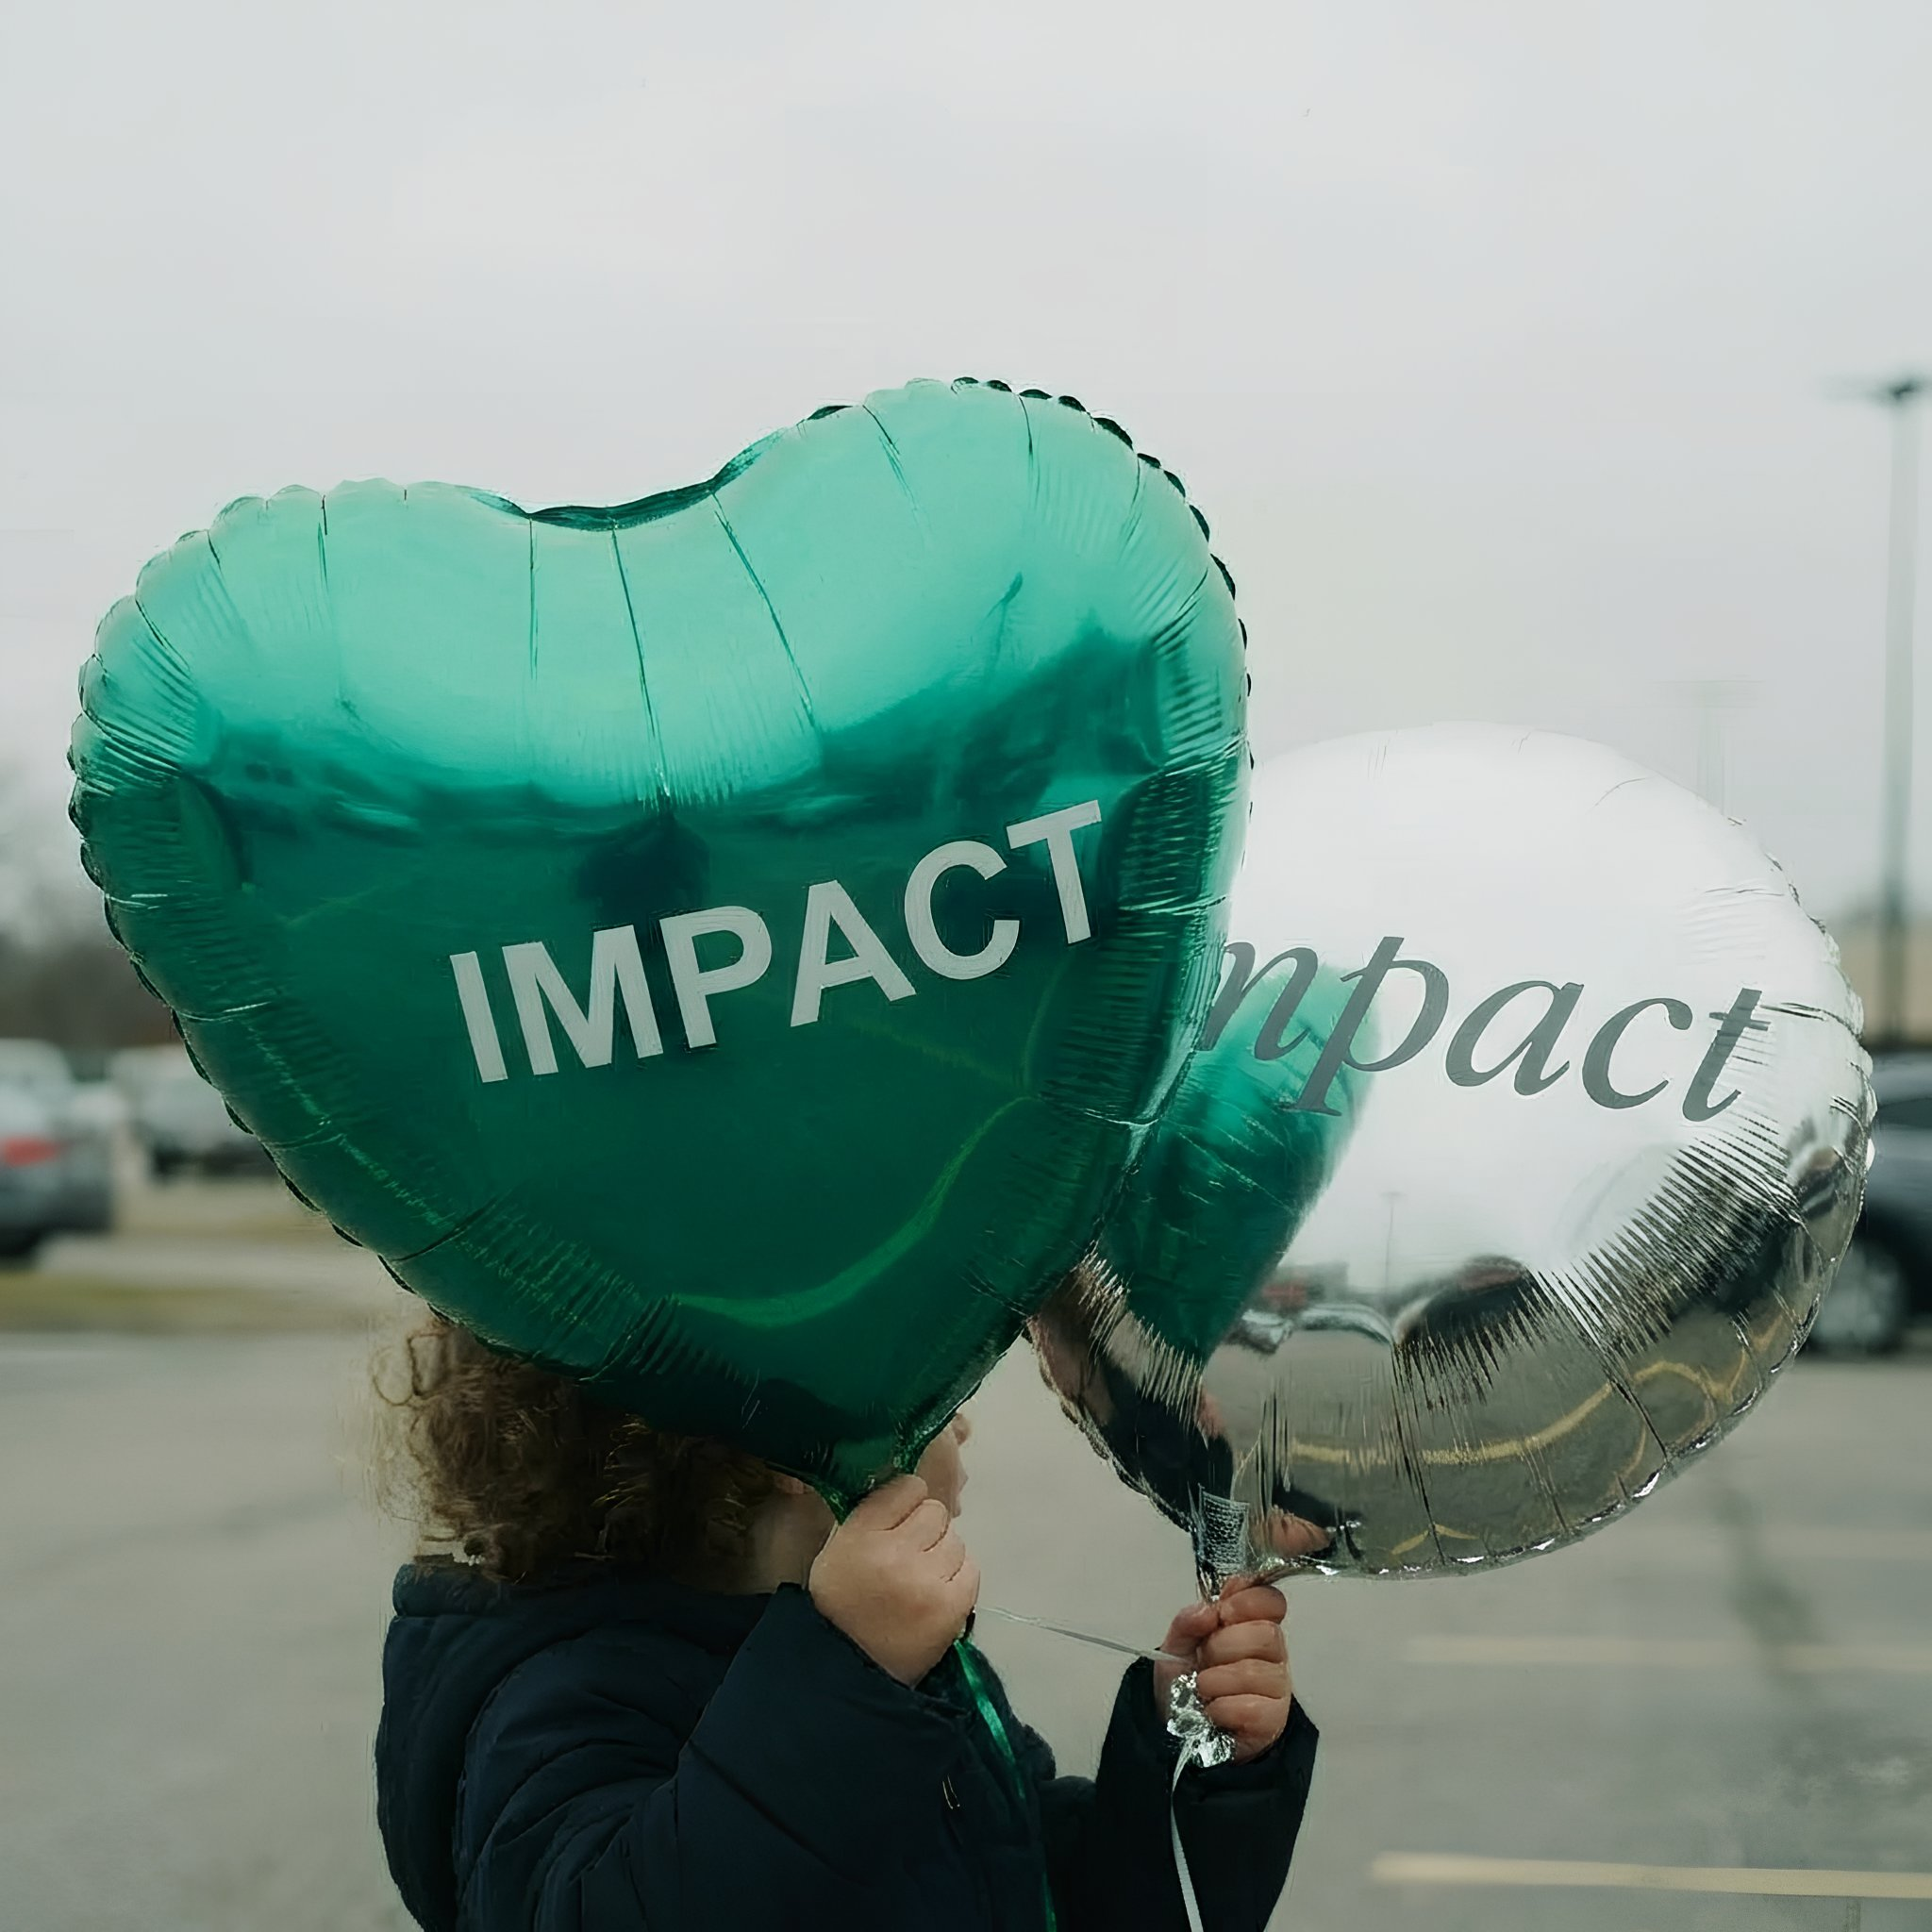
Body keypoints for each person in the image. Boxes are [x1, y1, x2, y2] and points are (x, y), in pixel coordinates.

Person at [374, 1316, 1319, 1932]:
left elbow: (1034, 1890)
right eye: (937, 1393)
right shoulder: (560, 1698)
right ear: (806, 1436)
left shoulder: (897, 1666)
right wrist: (840, 1680)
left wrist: (1191, 1752)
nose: (962, 1426)